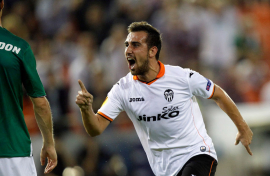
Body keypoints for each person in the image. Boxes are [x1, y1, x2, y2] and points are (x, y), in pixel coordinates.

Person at [75, 21, 253, 176]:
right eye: (126, 44)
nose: (128, 50)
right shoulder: (122, 89)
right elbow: (96, 128)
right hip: (164, 169)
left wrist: (243, 128)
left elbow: (218, 94)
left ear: (152, 51)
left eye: (135, 45)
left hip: (198, 154)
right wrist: (86, 110)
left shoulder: (182, 77)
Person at [0, 0, 57, 175]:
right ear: (2, 4)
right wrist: (49, 143)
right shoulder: (19, 47)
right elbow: (40, 103)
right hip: (12, 150)